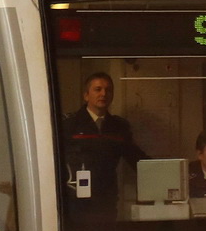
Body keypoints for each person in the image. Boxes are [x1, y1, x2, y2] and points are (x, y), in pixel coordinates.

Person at [59, 71, 145, 219]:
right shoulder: (69, 124)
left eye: (108, 90)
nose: (104, 94)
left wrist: (163, 171)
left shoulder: (118, 127)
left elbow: (136, 158)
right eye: (98, 89)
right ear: (86, 95)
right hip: (75, 202)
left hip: (106, 202)